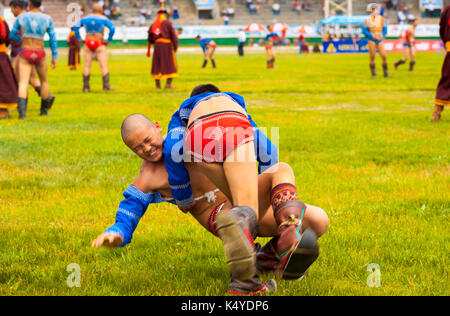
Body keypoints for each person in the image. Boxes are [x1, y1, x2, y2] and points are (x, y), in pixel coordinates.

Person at [91, 113, 328, 294]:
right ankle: (265, 263)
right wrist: (117, 232)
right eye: (137, 148)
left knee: (318, 221)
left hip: (244, 200)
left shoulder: (187, 140)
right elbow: (130, 209)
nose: (146, 149)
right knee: (281, 175)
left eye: (146, 140)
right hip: (222, 218)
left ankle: (272, 252)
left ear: (157, 126)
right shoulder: (148, 177)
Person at [162, 84, 279, 281]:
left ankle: (246, 273)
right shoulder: (232, 104)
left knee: (240, 210)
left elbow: (172, 151)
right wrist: (263, 186)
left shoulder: (183, 114)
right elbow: (269, 150)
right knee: (249, 207)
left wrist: (183, 197)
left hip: (200, 132)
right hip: (235, 122)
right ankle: (275, 247)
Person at [10, 0, 58, 119]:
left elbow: (12, 34)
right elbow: (53, 39)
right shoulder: (47, 18)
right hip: (39, 51)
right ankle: (44, 111)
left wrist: (22, 40)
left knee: (23, 82)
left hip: (26, 50)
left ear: (29, 4)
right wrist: (54, 57)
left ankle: (22, 113)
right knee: (44, 81)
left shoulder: (22, 17)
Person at [73, 3, 115, 93]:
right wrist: (108, 40)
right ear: (101, 10)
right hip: (99, 42)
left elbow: (75, 27)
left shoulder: (85, 18)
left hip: (88, 42)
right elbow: (112, 28)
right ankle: (106, 86)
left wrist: (80, 38)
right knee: (103, 65)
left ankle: (86, 88)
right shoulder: (103, 18)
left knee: (87, 65)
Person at [147, 9, 178, 89]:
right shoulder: (168, 23)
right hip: (167, 46)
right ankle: (168, 84)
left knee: (157, 64)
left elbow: (150, 36)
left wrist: (155, 42)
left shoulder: (153, 24)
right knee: (169, 64)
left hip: (157, 46)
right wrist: (175, 46)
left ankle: (158, 85)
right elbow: (173, 35)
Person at [430, 4, 450, 122]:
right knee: (447, 80)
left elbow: (442, 28)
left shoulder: (447, 8)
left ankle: (437, 112)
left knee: (446, 80)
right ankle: (437, 111)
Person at [362, 3, 390, 78]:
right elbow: (364, 31)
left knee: (384, 55)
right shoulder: (368, 20)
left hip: (380, 39)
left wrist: (382, 35)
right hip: (372, 39)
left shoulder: (381, 19)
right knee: (372, 56)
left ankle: (386, 73)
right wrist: (372, 35)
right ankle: (373, 73)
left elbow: (385, 29)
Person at [0, 15, 18, 119]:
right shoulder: (2, 20)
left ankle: (2, 110)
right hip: (1, 53)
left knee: (3, 83)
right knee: (4, 83)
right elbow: (7, 38)